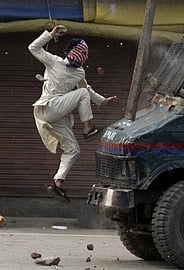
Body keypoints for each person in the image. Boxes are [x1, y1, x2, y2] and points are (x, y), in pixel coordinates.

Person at [28, 25, 117, 202]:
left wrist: (102, 101)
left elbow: (86, 89)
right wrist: (50, 34)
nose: (82, 56)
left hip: (57, 114)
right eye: (80, 52)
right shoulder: (54, 61)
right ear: (70, 52)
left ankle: (57, 184)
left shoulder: (79, 72)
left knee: (73, 149)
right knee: (81, 95)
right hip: (48, 106)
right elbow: (33, 47)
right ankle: (87, 129)